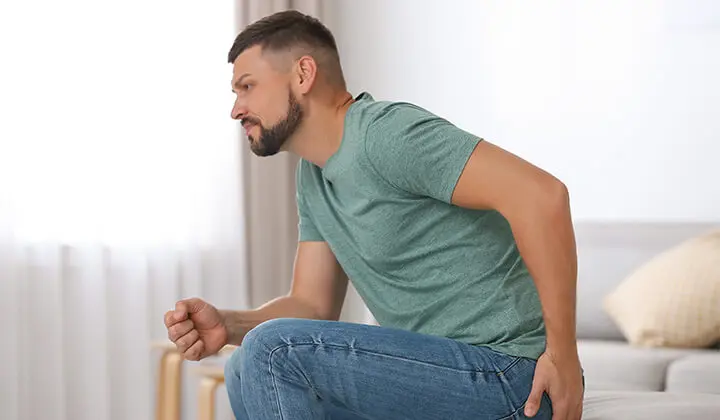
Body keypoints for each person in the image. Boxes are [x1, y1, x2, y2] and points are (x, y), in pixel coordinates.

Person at [164, 9, 584, 420]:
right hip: (443, 373)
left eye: (247, 87)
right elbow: (312, 304)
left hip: (512, 374)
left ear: (303, 74)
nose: (236, 109)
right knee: (243, 366)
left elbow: (543, 197)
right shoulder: (313, 177)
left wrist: (562, 356)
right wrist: (229, 325)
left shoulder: (386, 134)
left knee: (271, 350)